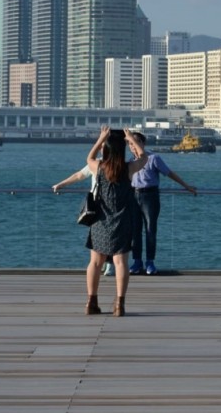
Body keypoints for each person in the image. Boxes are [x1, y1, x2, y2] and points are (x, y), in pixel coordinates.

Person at [84, 126, 147, 316]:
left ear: (106, 149)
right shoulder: (128, 169)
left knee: (95, 262)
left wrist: (100, 140)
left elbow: (88, 159)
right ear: (122, 149)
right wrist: (131, 139)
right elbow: (144, 157)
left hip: (101, 221)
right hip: (122, 221)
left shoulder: (99, 168)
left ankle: (91, 302)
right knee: (121, 262)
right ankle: (119, 304)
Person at [128, 132, 198, 275]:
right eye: (130, 144)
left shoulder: (153, 158)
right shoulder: (130, 161)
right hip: (133, 196)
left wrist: (186, 186)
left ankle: (150, 262)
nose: (133, 147)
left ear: (143, 144)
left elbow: (170, 173)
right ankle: (137, 261)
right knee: (135, 232)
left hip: (150, 196)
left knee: (150, 230)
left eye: (135, 143)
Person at [51, 165, 114, 276]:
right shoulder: (96, 163)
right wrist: (61, 184)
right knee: (98, 236)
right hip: (97, 204)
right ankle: (103, 262)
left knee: (111, 235)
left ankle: (109, 264)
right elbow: (79, 175)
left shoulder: (117, 162)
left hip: (113, 205)